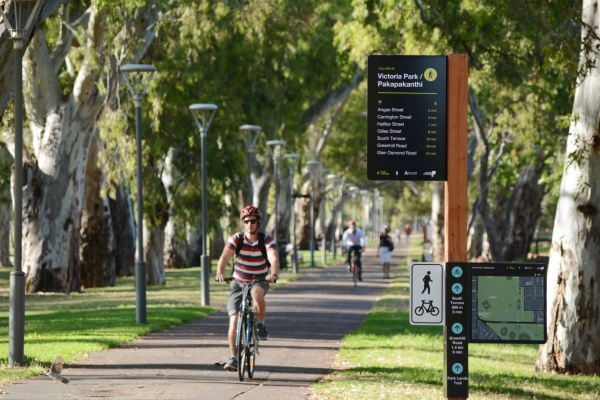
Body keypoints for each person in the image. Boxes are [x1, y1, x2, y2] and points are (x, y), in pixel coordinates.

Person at [216, 205, 279, 372]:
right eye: (246, 221)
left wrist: (272, 274)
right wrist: (220, 273)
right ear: (243, 223)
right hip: (238, 281)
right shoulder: (236, 239)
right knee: (234, 319)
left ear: (258, 222)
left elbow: (273, 258)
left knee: (257, 293)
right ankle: (234, 357)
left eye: (253, 221)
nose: (249, 224)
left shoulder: (266, 240)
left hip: (259, 279)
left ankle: (260, 323)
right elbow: (224, 257)